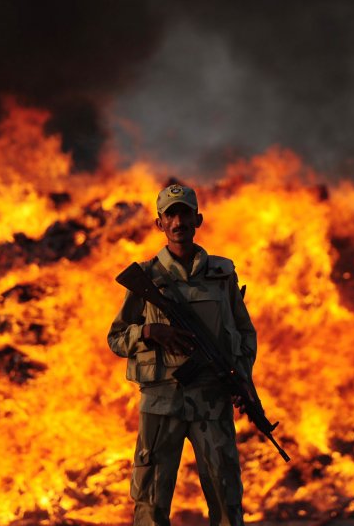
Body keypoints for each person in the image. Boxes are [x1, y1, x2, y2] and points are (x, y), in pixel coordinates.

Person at [108, 183, 257, 526]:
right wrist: (148, 332)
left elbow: (245, 332)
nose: (178, 222)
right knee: (150, 504)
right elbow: (116, 338)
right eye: (170, 215)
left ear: (198, 219)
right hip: (161, 406)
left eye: (184, 213)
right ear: (159, 224)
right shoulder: (145, 278)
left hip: (212, 403)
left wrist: (240, 377)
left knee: (227, 500)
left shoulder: (221, 276)